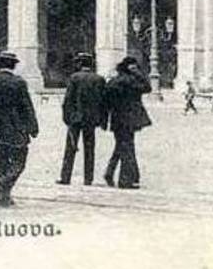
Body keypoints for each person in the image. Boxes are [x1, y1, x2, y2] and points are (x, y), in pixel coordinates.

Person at [0, 51, 39, 206]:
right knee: (20, 161)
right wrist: (33, 127)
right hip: (16, 129)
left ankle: (3, 194)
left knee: (0, 164)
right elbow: (27, 107)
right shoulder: (19, 83)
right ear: (13, 65)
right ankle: (5, 187)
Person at [58, 53, 107, 186]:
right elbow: (104, 102)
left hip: (75, 119)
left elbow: (68, 100)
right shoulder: (99, 79)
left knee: (70, 148)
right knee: (90, 148)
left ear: (80, 64)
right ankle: (88, 178)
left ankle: (65, 177)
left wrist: (66, 117)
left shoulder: (74, 78)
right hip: (91, 119)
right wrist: (103, 120)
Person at [102, 56, 152, 189]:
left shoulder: (113, 82)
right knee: (127, 147)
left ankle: (110, 172)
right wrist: (137, 72)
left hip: (117, 119)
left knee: (121, 146)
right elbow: (148, 87)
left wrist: (105, 119)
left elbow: (105, 102)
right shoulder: (132, 81)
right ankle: (125, 180)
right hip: (130, 119)